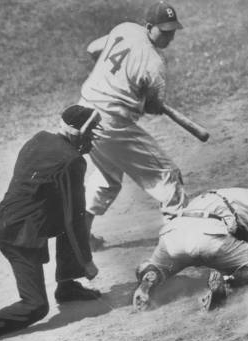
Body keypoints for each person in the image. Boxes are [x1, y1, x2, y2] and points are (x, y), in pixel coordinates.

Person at [0, 105, 104, 341]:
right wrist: (86, 261)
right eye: (89, 132)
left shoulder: (39, 139)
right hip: (19, 236)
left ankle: (67, 286)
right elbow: (76, 217)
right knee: (35, 305)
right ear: (73, 131)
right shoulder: (73, 161)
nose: (92, 138)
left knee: (64, 220)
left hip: (7, 220)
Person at [78, 1, 188, 249]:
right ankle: (184, 240)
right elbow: (151, 106)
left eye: (172, 31)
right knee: (167, 173)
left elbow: (92, 48)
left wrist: (113, 73)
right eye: (164, 30)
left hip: (84, 112)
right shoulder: (155, 63)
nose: (169, 36)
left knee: (107, 178)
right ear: (149, 26)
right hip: (111, 123)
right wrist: (153, 103)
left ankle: (81, 237)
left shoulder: (125, 29)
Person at [132, 188, 248, 311]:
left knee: (157, 266)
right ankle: (227, 284)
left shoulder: (233, 196)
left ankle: (147, 284)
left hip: (173, 233)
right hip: (207, 236)